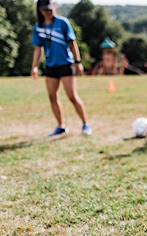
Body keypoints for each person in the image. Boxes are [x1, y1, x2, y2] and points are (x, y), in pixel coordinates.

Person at [31, 0, 92, 136]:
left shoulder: (62, 22)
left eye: (50, 8)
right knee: (52, 96)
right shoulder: (38, 27)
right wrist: (34, 67)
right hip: (50, 66)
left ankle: (85, 124)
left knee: (72, 96)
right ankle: (61, 126)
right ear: (40, 10)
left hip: (65, 64)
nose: (49, 11)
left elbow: (72, 43)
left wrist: (78, 62)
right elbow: (37, 49)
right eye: (45, 9)